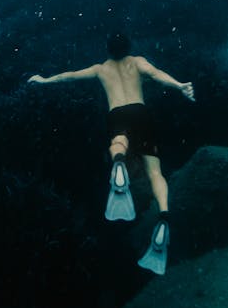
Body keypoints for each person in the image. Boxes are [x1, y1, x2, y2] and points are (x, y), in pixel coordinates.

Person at [28, 32, 195, 273]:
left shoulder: (100, 69)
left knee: (119, 142)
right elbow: (158, 75)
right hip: (141, 113)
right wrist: (180, 85)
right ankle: (165, 215)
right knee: (155, 172)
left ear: (107, 50)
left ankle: (118, 161)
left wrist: (45, 80)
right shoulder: (137, 62)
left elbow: (69, 76)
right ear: (129, 47)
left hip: (117, 114)